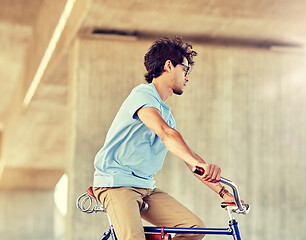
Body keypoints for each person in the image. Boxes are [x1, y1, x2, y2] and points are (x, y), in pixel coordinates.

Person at [93, 37, 236, 240]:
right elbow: (166, 133)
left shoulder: (166, 115)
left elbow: (190, 159)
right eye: (185, 69)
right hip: (117, 184)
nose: (187, 77)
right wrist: (197, 163)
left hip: (146, 188)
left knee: (193, 228)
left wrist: (223, 192)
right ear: (169, 65)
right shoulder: (142, 95)